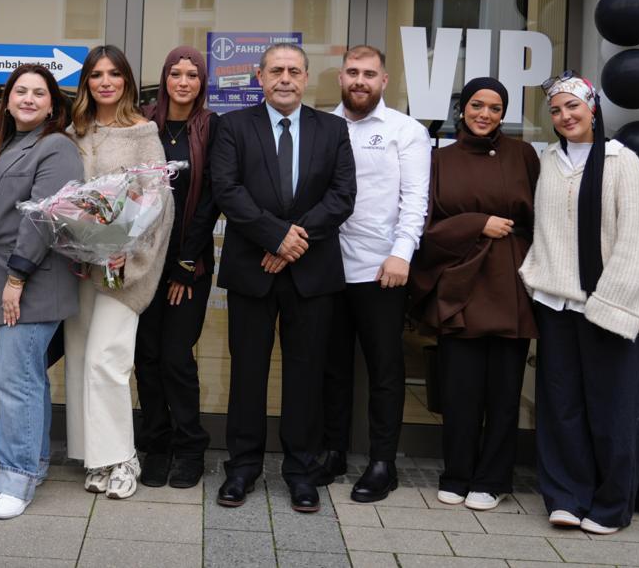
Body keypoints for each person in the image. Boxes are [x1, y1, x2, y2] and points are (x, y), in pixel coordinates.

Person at [213, 43, 356, 514]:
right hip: (252, 270)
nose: (286, 78)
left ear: (307, 77)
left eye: (295, 71)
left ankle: (300, 471)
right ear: (259, 76)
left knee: (305, 374)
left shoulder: (332, 129)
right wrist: (276, 238)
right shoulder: (233, 127)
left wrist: (294, 242)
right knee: (247, 373)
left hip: (311, 275)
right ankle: (242, 468)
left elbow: (342, 196)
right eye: (276, 70)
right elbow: (228, 191)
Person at [520, 72, 639, 535]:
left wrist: (610, 303)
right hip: (558, 305)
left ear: (592, 109)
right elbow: (545, 231)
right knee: (561, 407)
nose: (564, 116)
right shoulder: (549, 162)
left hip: (609, 308)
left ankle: (612, 505)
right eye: (555, 110)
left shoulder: (623, 162)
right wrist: (536, 277)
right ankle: (565, 496)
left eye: (572, 107)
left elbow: (636, 241)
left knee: (613, 410)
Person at [408, 77, 539, 511]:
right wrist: (476, 224)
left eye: (495, 108)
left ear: (504, 114)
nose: (485, 114)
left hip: (511, 281)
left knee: (504, 392)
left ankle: (493, 478)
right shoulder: (438, 158)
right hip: (460, 282)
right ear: (462, 109)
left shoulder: (524, 155)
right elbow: (423, 225)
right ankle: (457, 473)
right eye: (477, 105)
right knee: (460, 392)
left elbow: (543, 219)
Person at [319, 46, 431, 502]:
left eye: (369, 73)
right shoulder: (320, 126)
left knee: (386, 369)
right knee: (332, 368)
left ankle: (383, 461)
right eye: (352, 72)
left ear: (384, 80)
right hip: (325, 267)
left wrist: (402, 253)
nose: (359, 81)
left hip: (382, 269)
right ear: (340, 78)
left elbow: (415, 199)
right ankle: (332, 450)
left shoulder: (406, 131)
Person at [0, 64, 83, 520]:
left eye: (40, 92)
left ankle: (16, 477)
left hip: (29, 282)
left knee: (15, 383)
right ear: (8, 99)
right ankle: (31, 465)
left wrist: (16, 280)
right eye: (21, 91)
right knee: (24, 381)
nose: (29, 99)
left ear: (54, 104)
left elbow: (44, 217)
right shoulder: (4, 145)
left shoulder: (55, 147)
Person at [66, 45, 174, 500]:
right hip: (79, 266)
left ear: (127, 81)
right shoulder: (74, 132)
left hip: (120, 268)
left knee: (106, 362)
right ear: (86, 82)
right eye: (96, 75)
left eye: (114, 74)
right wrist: (69, 241)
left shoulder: (142, 132)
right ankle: (94, 457)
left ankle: (122, 457)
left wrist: (124, 253)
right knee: (78, 360)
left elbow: (157, 203)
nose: (105, 82)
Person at [136, 46, 221, 489]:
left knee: (176, 357)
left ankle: (190, 446)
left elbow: (210, 199)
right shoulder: (143, 123)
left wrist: (187, 264)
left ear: (202, 81)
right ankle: (156, 444)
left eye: (192, 74)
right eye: (175, 73)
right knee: (146, 357)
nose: (183, 81)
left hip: (188, 263)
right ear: (165, 78)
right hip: (142, 262)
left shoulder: (211, 128)